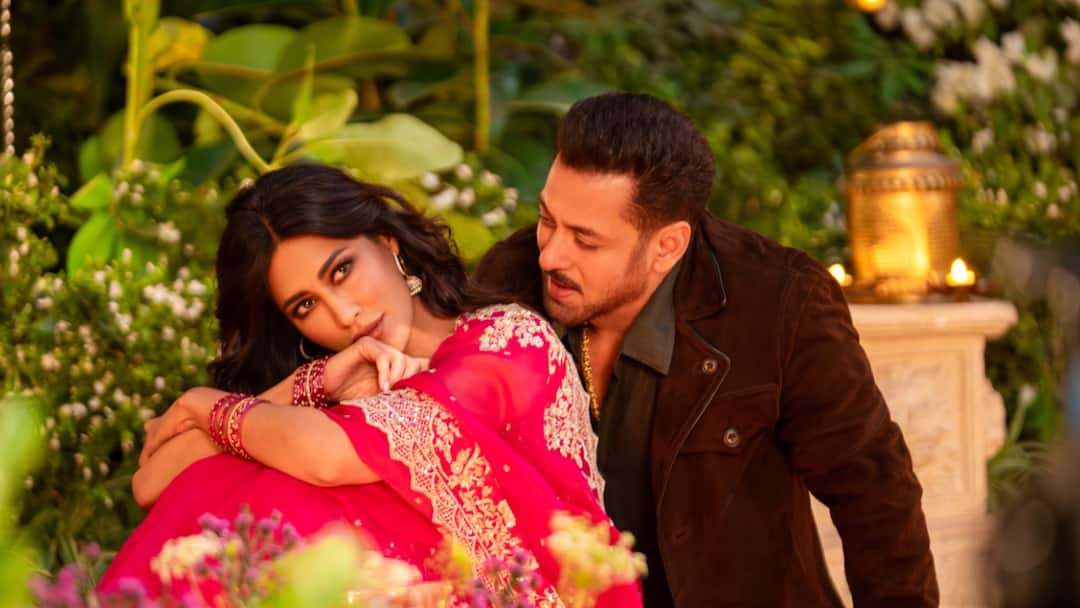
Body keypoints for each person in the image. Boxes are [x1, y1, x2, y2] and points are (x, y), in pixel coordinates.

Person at [97, 164, 642, 607]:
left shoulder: (508, 342)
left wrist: (203, 404)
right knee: (229, 478)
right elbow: (156, 481)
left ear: (388, 244)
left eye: (341, 270)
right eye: (306, 306)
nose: (344, 314)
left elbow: (328, 457)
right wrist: (311, 382)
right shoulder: (337, 389)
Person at [474, 93, 939, 607]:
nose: (550, 255)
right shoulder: (508, 279)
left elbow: (875, 493)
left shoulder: (779, 301)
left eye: (586, 240)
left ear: (667, 246)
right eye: (547, 219)